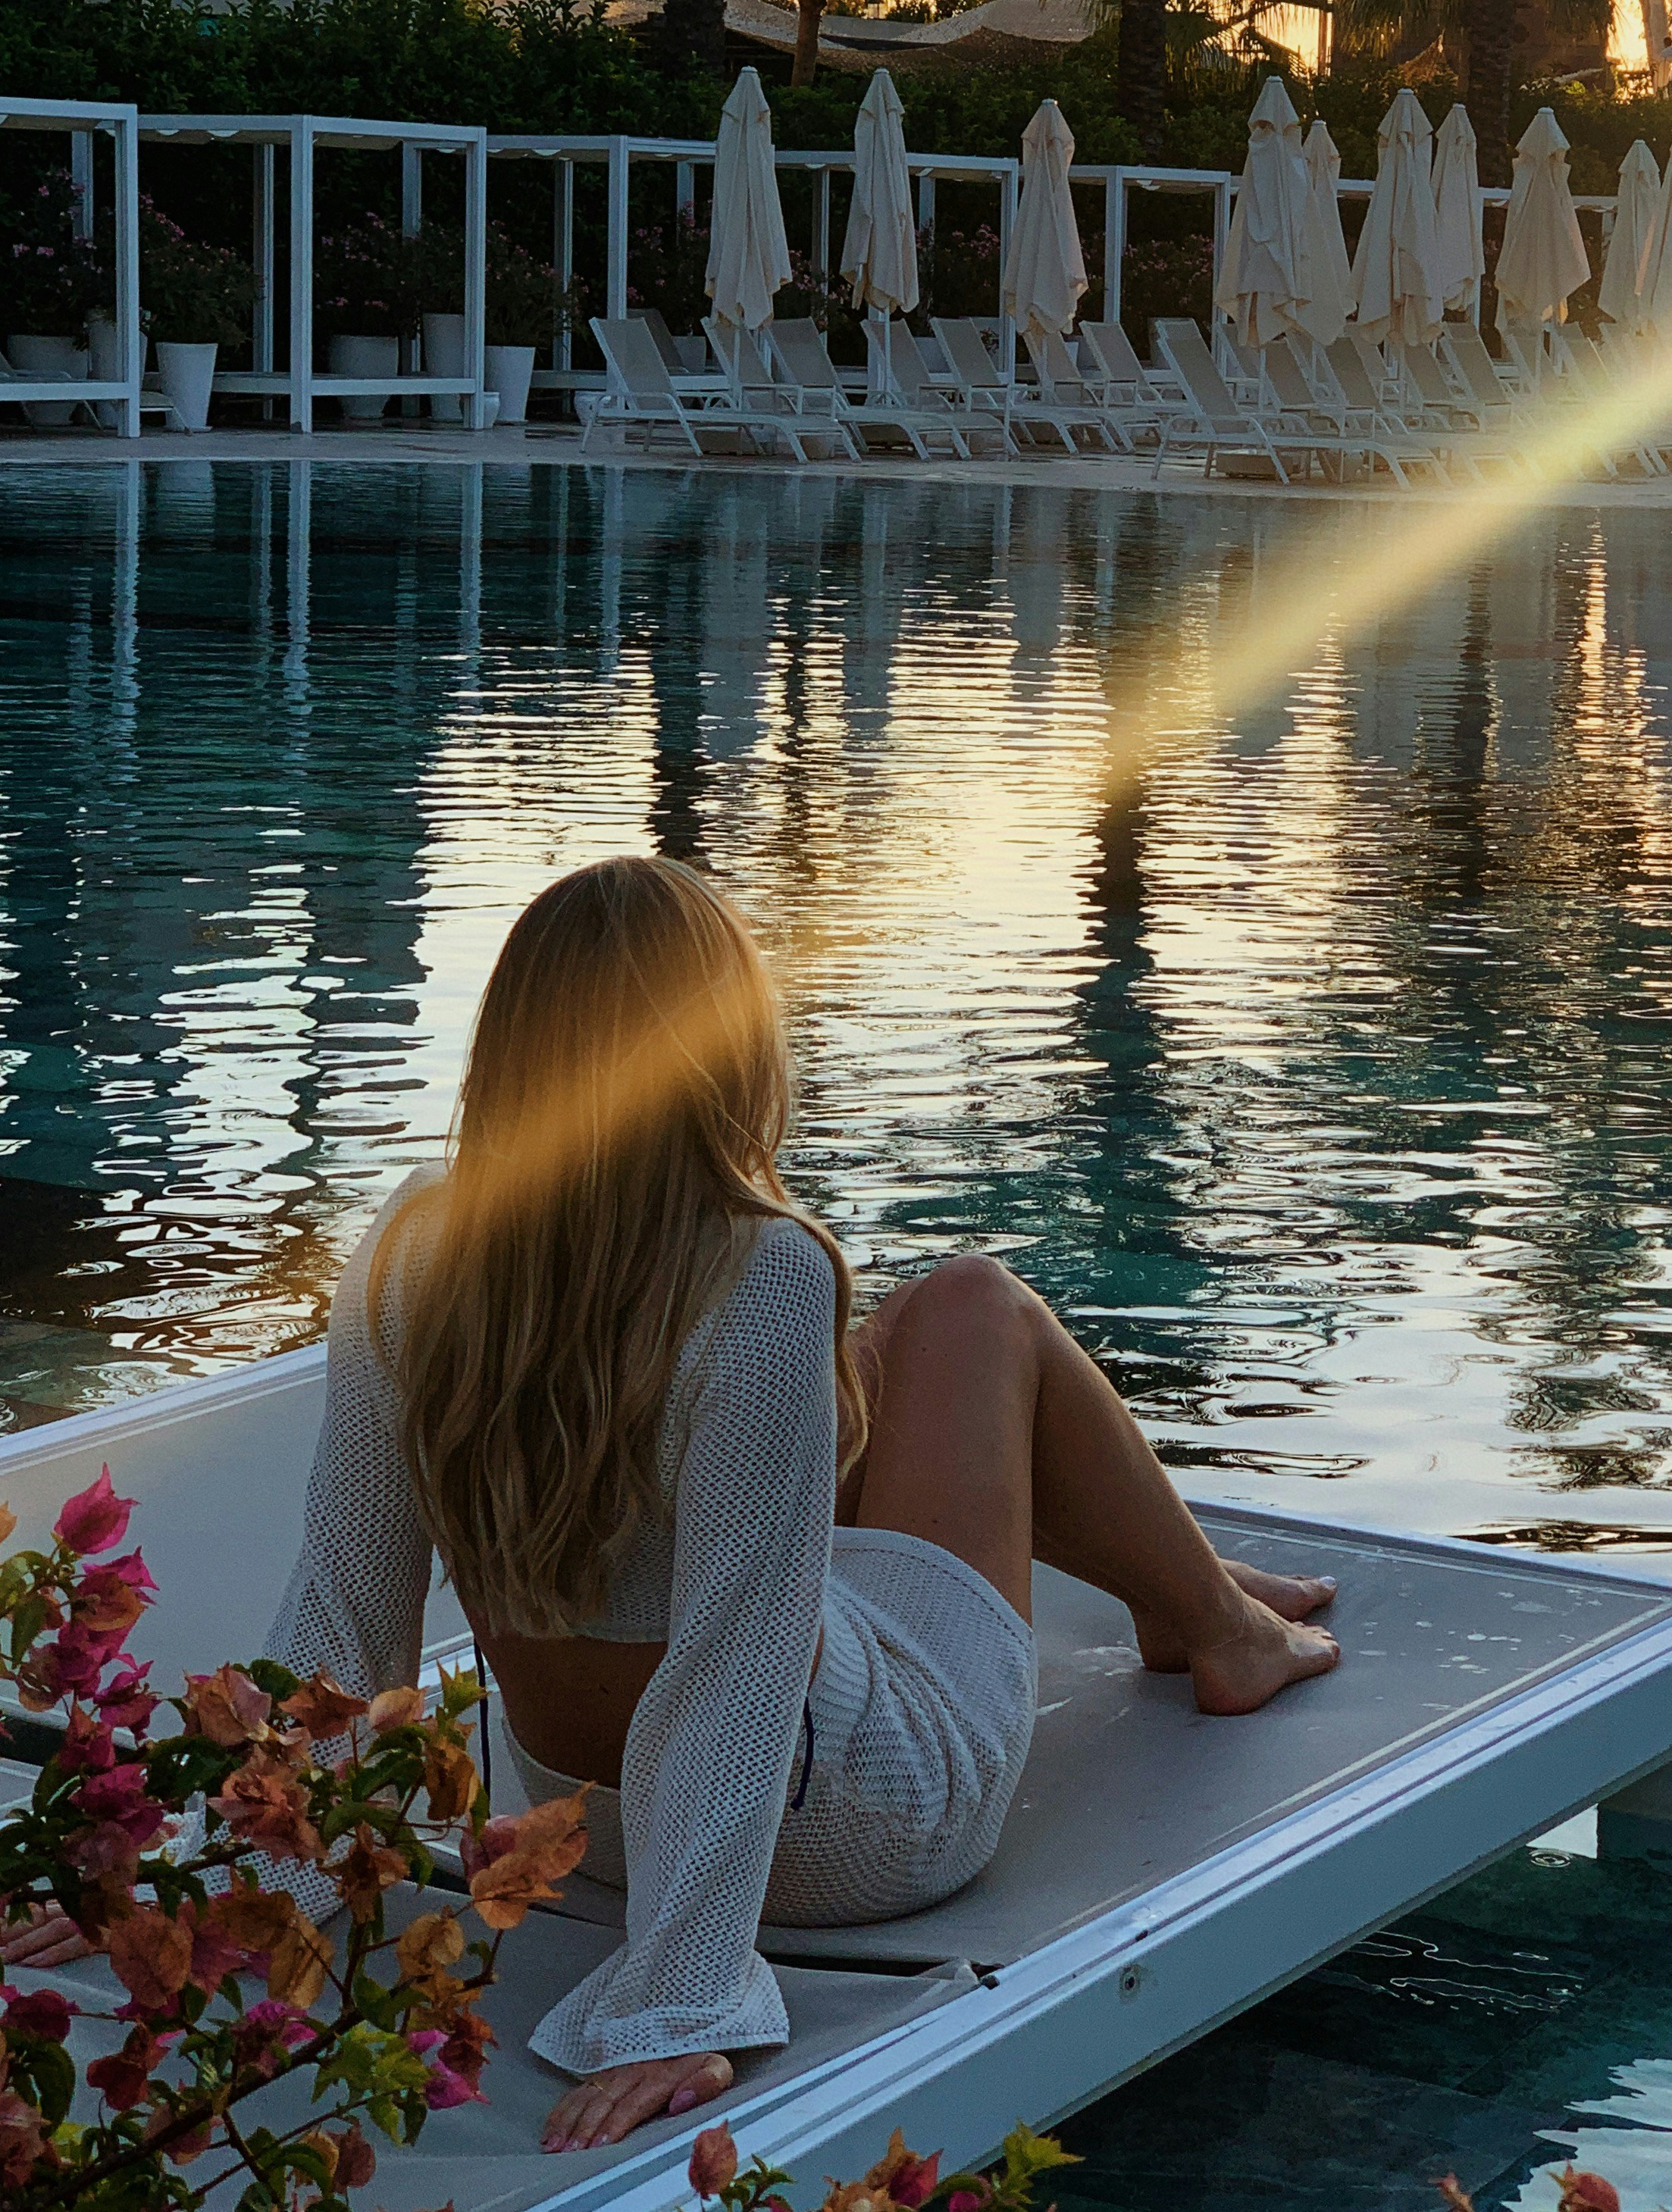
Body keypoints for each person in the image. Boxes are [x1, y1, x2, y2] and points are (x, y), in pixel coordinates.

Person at [261, 856, 1339, 2153]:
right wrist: (676, 2003)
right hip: (860, 1823)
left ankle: (1187, 1586)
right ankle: (1217, 1625)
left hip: (587, 1829)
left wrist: (253, 1881)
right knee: (970, 1308)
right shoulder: (759, 1271)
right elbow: (741, 1662)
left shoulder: (412, 1257)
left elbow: (343, 1615)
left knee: (873, 1365)